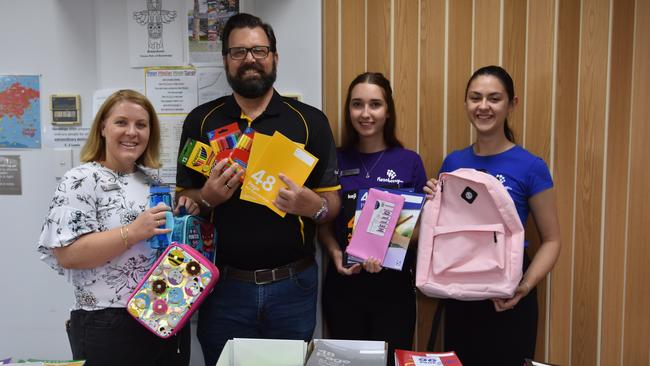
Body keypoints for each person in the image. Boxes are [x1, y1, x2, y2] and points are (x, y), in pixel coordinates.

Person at [175, 13, 340, 366]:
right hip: (221, 286)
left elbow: (332, 204)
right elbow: (182, 200)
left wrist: (313, 207)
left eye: (259, 50)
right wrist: (207, 197)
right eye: (238, 52)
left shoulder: (310, 121)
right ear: (225, 61)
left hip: (293, 286)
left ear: (275, 57)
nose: (250, 59)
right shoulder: (202, 121)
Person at [37, 89, 200, 366]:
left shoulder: (152, 182)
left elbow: (158, 247)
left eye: (141, 125)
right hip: (107, 323)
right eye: (121, 122)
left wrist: (183, 218)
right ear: (103, 127)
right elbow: (67, 254)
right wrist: (133, 232)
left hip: (162, 313)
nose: (131, 132)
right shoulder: (81, 180)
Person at [423, 65, 561, 366]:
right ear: (466, 103)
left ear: (512, 104)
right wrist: (432, 202)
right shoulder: (454, 161)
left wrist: (523, 287)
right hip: (460, 289)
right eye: (475, 98)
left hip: (508, 294)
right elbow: (444, 231)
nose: (483, 106)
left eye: (494, 98)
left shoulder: (531, 166)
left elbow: (552, 240)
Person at [319, 72, 428, 365]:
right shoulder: (335, 159)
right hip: (343, 285)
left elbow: (421, 227)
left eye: (375, 104)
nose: (365, 113)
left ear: (388, 111)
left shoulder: (409, 161)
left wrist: (385, 245)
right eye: (357, 104)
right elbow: (324, 222)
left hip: (393, 289)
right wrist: (333, 253)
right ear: (348, 110)